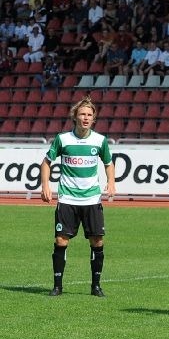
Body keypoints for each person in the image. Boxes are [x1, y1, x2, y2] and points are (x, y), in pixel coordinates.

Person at [39, 96, 116, 297]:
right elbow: (46, 162)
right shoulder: (63, 139)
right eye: (82, 114)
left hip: (92, 199)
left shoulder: (100, 140)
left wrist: (111, 182)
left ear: (94, 118)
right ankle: (57, 286)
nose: (86, 118)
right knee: (61, 240)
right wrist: (45, 185)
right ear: (75, 116)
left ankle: (96, 286)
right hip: (67, 199)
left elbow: (108, 163)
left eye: (89, 115)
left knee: (97, 241)